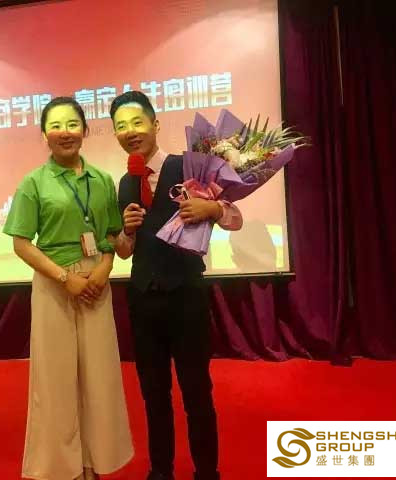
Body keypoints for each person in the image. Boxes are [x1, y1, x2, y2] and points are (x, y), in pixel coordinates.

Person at [111, 91, 243, 480]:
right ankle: (161, 471)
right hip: (142, 299)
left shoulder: (189, 166)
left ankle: (207, 472)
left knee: (196, 391)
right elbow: (123, 252)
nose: (130, 132)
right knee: (153, 395)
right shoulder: (124, 183)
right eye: (121, 126)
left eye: (137, 122)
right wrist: (125, 232)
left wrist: (212, 208)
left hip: (186, 296)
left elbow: (235, 219)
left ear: (155, 124)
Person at [3, 97, 133, 480]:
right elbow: (22, 244)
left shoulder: (102, 180)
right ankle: (62, 469)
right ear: (44, 134)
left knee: (100, 377)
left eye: (73, 124)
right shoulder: (34, 183)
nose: (65, 132)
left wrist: (104, 268)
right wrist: (65, 278)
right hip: (54, 284)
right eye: (56, 125)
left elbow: (111, 236)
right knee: (55, 379)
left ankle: (96, 462)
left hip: (96, 283)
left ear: (85, 130)